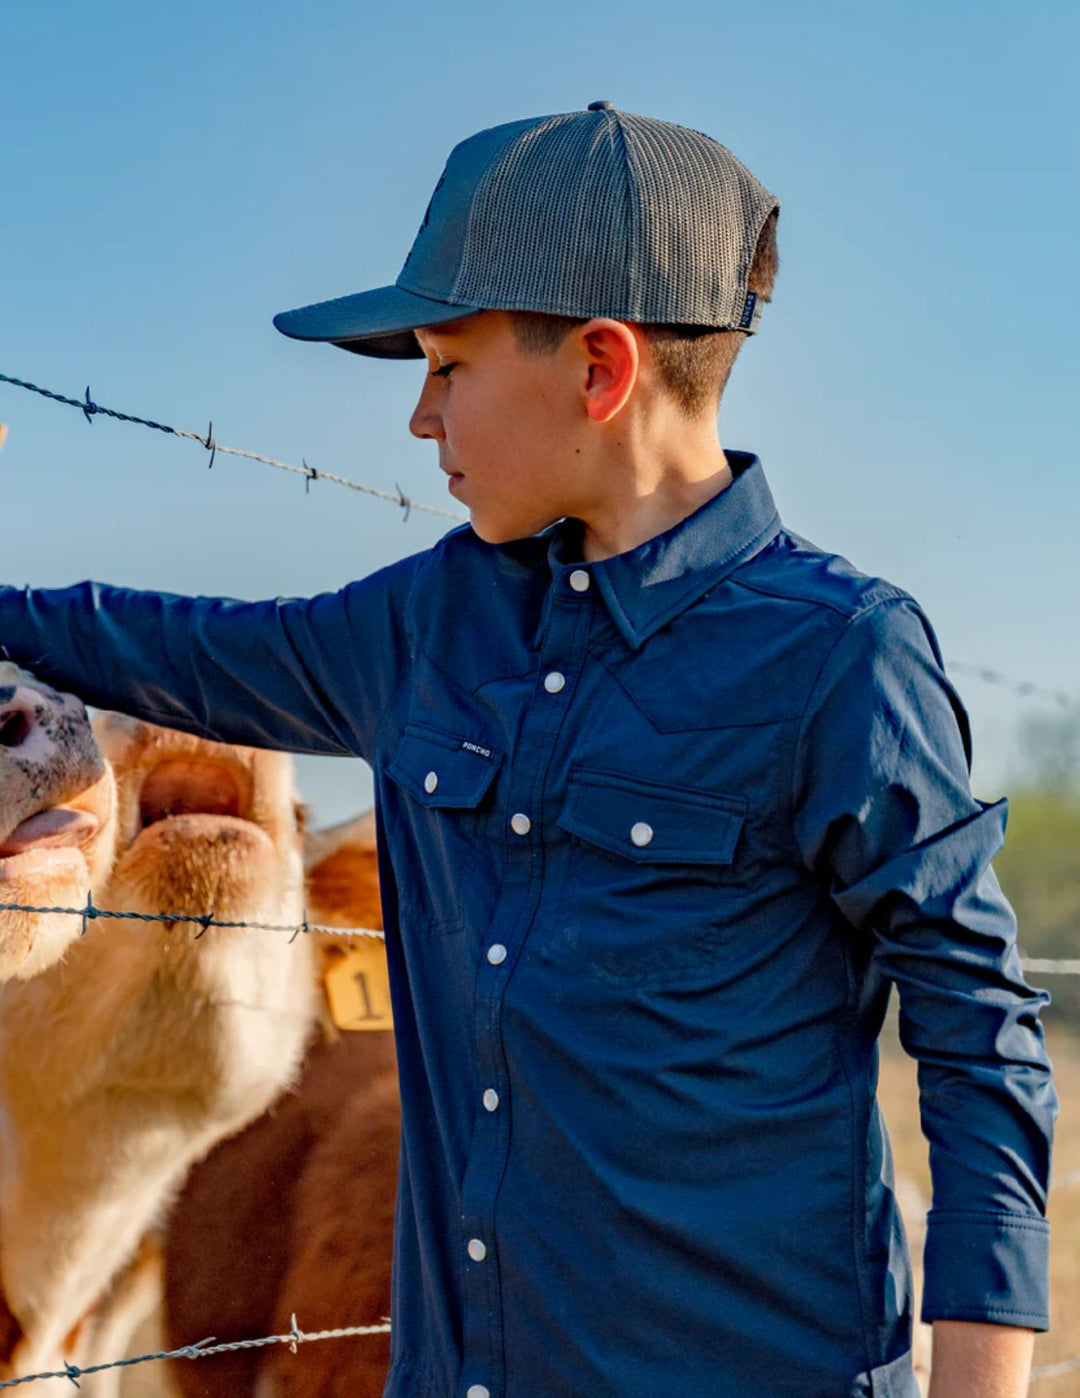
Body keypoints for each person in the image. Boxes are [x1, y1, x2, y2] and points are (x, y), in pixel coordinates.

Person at [0, 103, 1057, 1398]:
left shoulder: (844, 656)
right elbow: (166, 645)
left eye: (446, 366)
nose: (419, 419)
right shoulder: (429, 623)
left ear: (600, 372)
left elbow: (979, 1036)